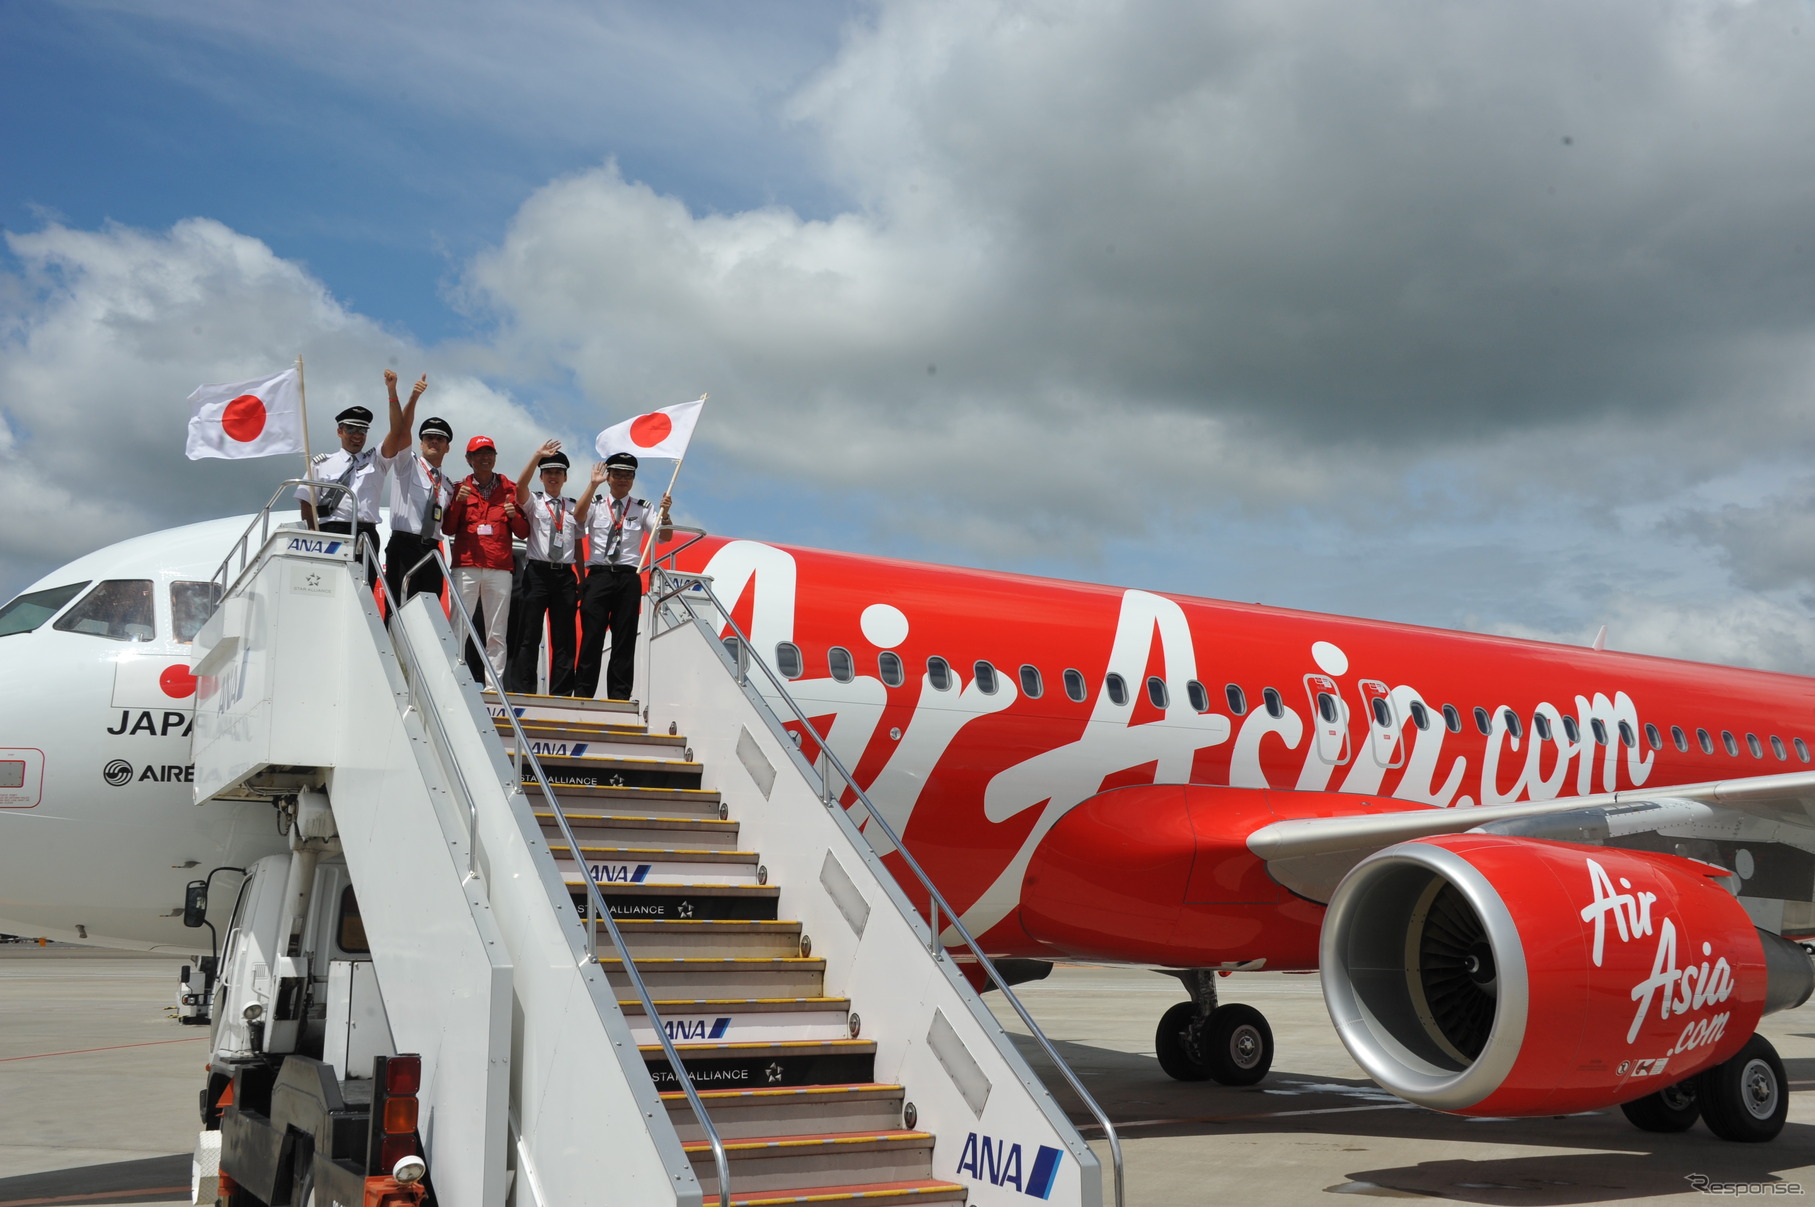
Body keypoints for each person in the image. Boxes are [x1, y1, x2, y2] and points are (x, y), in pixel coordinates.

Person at [573, 452, 671, 701]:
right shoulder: (595, 503)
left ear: (633, 479)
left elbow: (664, 536)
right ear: (609, 478)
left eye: (628, 476)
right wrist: (592, 484)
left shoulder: (642, 507)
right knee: (592, 637)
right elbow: (578, 518)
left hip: (628, 577)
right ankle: (583, 693)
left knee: (624, 639)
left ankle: (619, 696)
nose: (622, 480)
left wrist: (666, 514)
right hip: (599, 577)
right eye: (617, 475)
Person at [443, 435, 527, 682]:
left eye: (489, 453)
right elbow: (448, 528)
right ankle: (451, 680)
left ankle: (494, 685)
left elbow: (524, 532)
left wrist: (514, 517)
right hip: (466, 566)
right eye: (479, 454)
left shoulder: (510, 489)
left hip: (499, 567)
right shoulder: (459, 489)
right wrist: (457, 504)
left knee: (497, 631)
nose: (485, 458)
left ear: (495, 458)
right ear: (469, 459)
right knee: (459, 625)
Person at [506, 440, 581, 695]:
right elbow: (519, 486)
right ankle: (522, 689)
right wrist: (537, 454)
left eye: (558, 472)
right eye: (548, 472)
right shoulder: (534, 502)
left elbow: (579, 543)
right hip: (537, 573)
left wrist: (581, 577)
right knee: (528, 634)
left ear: (565, 477)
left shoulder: (574, 506)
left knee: (564, 638)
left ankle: (561, 692)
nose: (553, 476)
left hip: (564, 576)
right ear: (541, 476)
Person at [376, 371, 451, 606]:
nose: (434, 442)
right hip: (404, 544)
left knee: (430, 609)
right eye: (429, 437)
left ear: (447, 447)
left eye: (440, 439)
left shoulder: (449, 485)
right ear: (420, 442)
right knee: (399, 607)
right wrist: (413, 397)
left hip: (432, 549)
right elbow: (401, 430)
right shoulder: (407, 463)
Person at [297, 404, 388, 584]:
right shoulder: (322, 464)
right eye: (351, 429)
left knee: (364, 585)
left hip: (366, 533)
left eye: (362, 430)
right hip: (332, 531)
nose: (357, 435)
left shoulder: (375, 462)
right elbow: (306, 500)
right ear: (340, 431)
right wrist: (313, 532)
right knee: (329, 585)